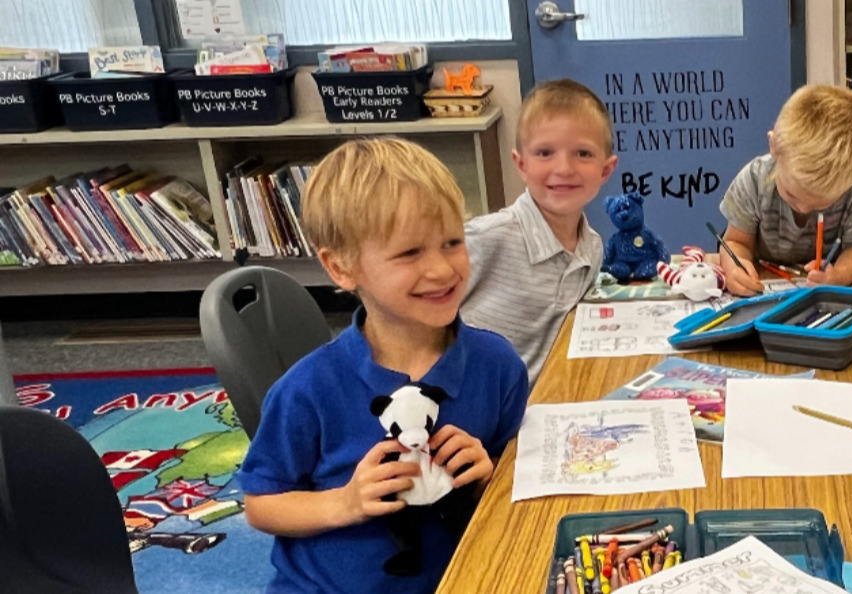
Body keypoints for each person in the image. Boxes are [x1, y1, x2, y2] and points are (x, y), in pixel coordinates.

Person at [239, 137, 529, 593]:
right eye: (410, 253)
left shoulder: (497, 365)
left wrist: (487, 473)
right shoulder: (307, 390)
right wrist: (345, 503)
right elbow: (260, 504)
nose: (442, 270)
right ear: (342, 268)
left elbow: (516, 472)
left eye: (452, 242)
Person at [460, 79, 617, 384]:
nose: (564, 168)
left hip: (550, 395)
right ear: (521, 165)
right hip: (480, 402)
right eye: (545, 152)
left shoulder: (592, 247)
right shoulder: (485, 238)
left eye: (583, 154)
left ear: (605, 170)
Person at [717, 84, 852, 296]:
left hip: (825, 285)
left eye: (820, 204)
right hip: (765, 280)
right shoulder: (754, 180)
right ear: (774, 146)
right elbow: (735, 242)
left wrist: (839, 275)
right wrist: (734, 268)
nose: (803, 208)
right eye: (792, 195)